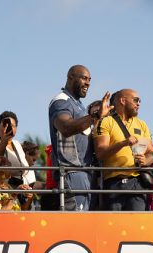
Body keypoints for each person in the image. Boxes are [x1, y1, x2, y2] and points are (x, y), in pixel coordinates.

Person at [48, 65, 112, 211]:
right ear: (70, 77)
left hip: (85, 174)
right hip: (71, 172)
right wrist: (95, 116)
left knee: (84, 226)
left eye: (89, 79)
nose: (88, 83)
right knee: (74, 226)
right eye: (84, 78)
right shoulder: (61, 101)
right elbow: (65, 127)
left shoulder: (80, 106)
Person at [94, 88, 153, 211]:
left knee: (137, 227)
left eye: (139, 101)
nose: (138, 104)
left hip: (137, 183)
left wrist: (146, 160)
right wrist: (123, 143)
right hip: (113, 184)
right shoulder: (105, 122)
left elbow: (151, 153)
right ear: (123, 100)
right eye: (136, 100)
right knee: (114, 227)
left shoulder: (142, 124)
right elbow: (100, 154)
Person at [0, 111, 35, 187]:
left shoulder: (17, 144)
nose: (10, 128)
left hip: (20, 190)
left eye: (13, 126)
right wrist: (4, 141)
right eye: (6, 125)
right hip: (2, 191)